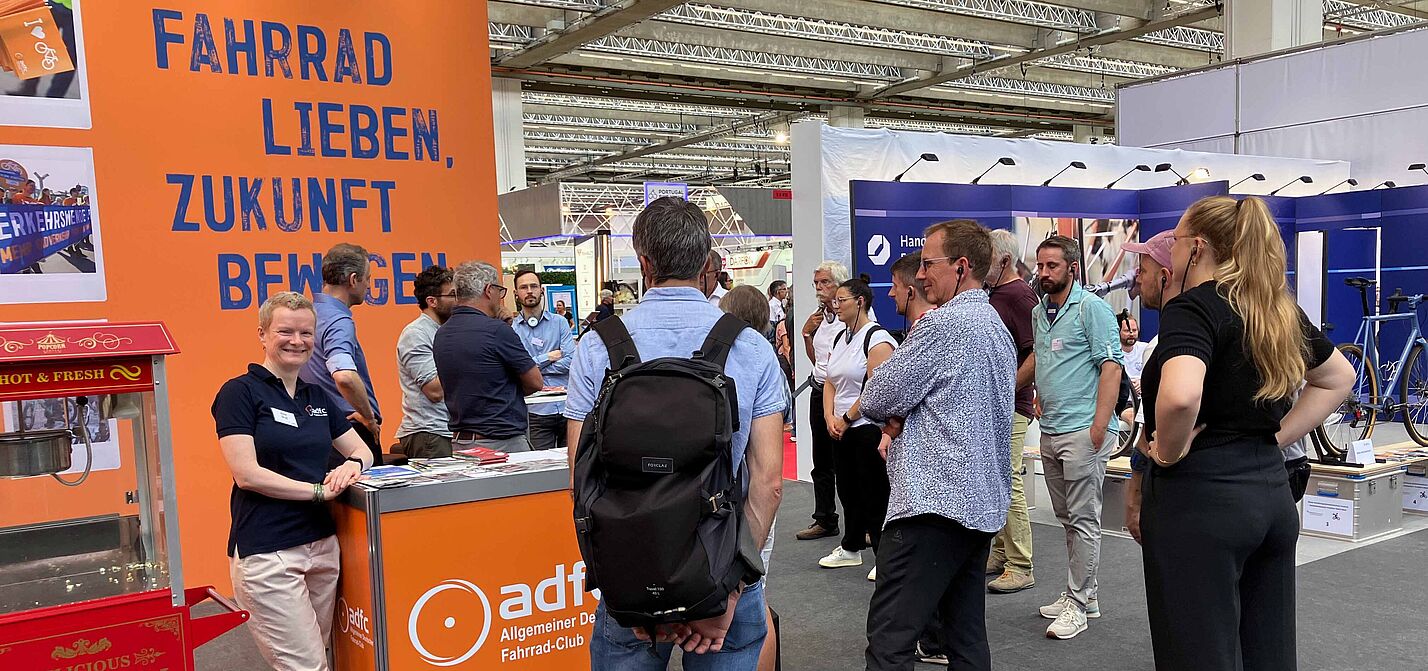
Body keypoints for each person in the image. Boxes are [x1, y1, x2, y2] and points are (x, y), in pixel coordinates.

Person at [564, 196, 785, 670]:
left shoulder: (597, 347)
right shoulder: (750, 347)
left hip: (631, 570)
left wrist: (625, 585)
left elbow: (581, 481)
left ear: (643, 263)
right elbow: (768, 484)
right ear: (707, 262)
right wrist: (729, 590)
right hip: (720, 567)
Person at [1138, 196, 1352, 671]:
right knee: (1268, 653)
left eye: (1175, 240)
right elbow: (1338, 377)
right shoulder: (1274, 309)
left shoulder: (1193, 308)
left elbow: (1180, 396)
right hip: (1270, 494)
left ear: (1197, 248)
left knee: (1196, 654)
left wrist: (1167, 451)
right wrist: (1273, 439)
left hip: (1200, 499)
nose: (1171, 250)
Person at [860, 220, 1015, 671]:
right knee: (965, 638)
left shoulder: (943, 326)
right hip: (978, 505)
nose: (921, 274)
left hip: (932, 505)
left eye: (929, 264)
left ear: (961, 266)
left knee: (890, 640)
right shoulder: (995, 326)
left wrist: (899, 414)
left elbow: (875, 397)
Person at [212, 292, 374, 671]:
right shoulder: (240, 392)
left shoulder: (316, 396)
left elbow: (361, 450)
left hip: (322, 546)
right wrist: (318, 491)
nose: (297, 341)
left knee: (318, 657)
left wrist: (352, 465)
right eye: (285, 331)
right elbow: (247, 474)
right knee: (307, 666)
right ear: (262, 334)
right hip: (269, 553)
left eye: (306, 333)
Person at [1029, 235, 1123, 640]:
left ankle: (1079, 603)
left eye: (1052, 266)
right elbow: (1042, 356)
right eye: (1040, 265)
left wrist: (1099, 426)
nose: (1044, 273)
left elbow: (1111, 367)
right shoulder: (1039, 311)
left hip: (1084, 430)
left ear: (1072, 269)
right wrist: (1029, 390)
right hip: (1051, 428)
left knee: (1084, 519)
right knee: (1067, 518)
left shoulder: (1092, 308)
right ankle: (1086, 594)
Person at [717, 283, 788, 671]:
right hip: (756, 504)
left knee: (752, 605)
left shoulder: (729, 363)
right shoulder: (764, 362)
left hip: (732, 500)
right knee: (755, 596)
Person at [818, 279, 896, 581]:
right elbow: (830, 380)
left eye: (842, 300)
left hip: (866, 428)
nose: (835, 306)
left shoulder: (877, 339)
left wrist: (847, 418)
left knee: (875, 494)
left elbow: (876, 388)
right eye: (835, 301)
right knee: (848, 490)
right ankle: (851, 546)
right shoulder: (840, 337)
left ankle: (884, 555)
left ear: (860, 301)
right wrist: (829, 416)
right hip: (841, 428)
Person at [434, 261, 545, 454]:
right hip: (501, 441)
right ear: (488, 290)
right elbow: (535, 382)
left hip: (461, 442)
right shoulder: (496, 330)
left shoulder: (442, 333)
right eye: (500, 291)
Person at [982, 229, 1039, 596]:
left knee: (1010, 480)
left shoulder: (1019, 295)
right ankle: (1003, 552)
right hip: (1000, 404)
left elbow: (1037, 352)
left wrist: (1007, 389)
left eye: (987, 257)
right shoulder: (996, 294)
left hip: (1012, 406)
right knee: (1000, 479)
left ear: (1004, 260)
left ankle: (1021, 564)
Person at [300, 243, 382, 465]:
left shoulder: (310, 314)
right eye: (368, 278)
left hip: (318, 429)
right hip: (351, 432)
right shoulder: (338, 321)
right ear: (354, 280)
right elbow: (344, 376)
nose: (369, 285)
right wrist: (368, 417)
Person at [796, 260, 849, 542]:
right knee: (821, 461)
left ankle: (863, 523)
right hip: (819, 391)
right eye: (816, 283)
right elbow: (817, 360)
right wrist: (806, 334)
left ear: (839, 284)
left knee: (850, 462)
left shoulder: (851, 314)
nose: (818, 287)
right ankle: (825, 519)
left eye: (824, 282)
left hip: (843, 395)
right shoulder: (820, 317)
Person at [511, 269, 577, 450]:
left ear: (541, 290)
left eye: (533, 286)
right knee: (539, 464)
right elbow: (516, 369)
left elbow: (571, 360)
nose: (529, 291)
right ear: (516, 293)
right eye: (524, 287)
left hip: (566, 407)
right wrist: (548, 357)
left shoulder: (560, 322)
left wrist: (532, 367)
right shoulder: (512, 330)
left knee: (572, 462)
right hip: (535, 410)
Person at [395, 265, 456, 458]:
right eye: (452, 295)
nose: (458, 300)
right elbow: (434, 391)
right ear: (432, 301)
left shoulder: (446, 331)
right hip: (429, 432)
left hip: (448, 429)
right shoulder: (416, 334)